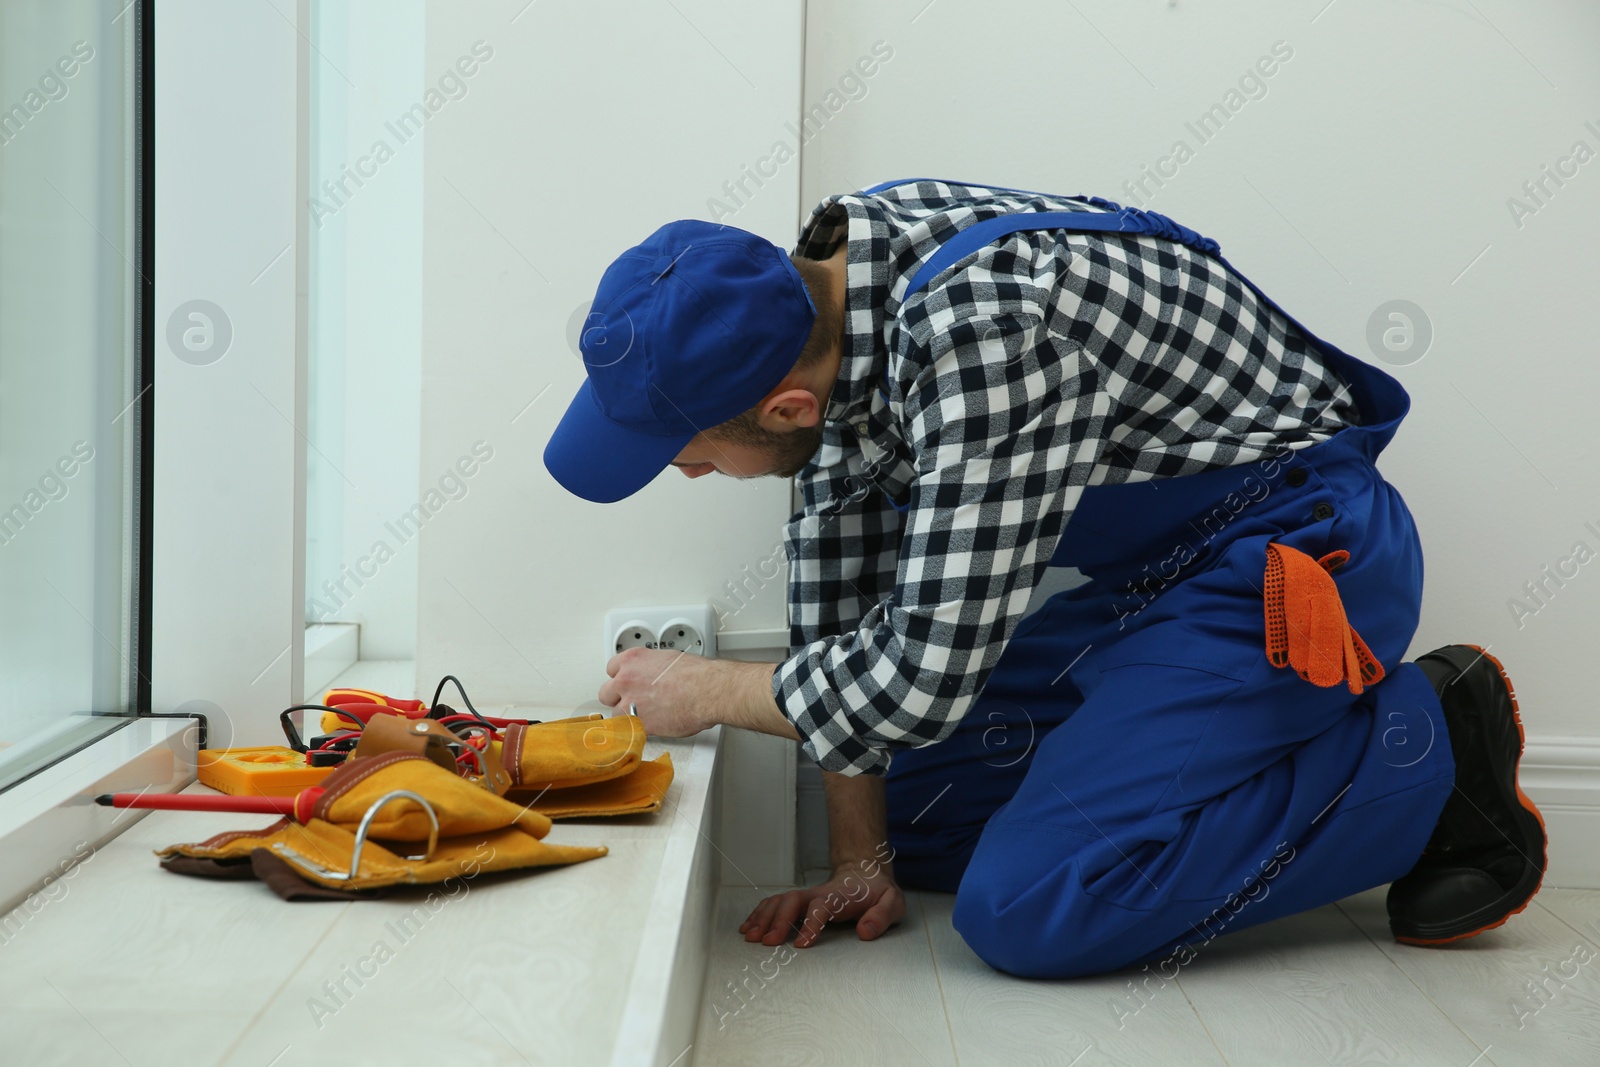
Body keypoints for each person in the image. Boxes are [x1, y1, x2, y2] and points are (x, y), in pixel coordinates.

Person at [542, 178, 1546, 978]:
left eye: (692, 452)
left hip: (1296, 563)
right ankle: (1259, 741)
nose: (683, 470)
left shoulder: (987, 331)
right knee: (923, 819)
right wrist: (862, 860)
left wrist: (710, 692)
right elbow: (839, 598)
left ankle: (1430, 750)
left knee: (1023, 907)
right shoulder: (828, 297)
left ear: (789, 408)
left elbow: (918, 677)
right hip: (1155, 583)